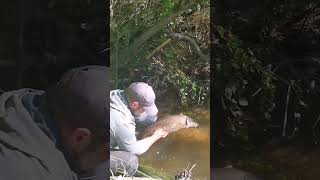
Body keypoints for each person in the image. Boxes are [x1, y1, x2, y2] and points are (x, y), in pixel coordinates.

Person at [0, 65, 109, 180]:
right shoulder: (33, 173)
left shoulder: (23, 101)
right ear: (80, 138)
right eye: (107, 153)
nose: (108, 159)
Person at [110, 82, 168, 176]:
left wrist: (160, 121)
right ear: (134, 104)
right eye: (145, 109)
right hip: (88, 155)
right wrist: (157, 135)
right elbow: (134, 150)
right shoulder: (122, 122)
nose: (145, 112)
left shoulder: (117, 94)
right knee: (131, 160)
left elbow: (138, 115)